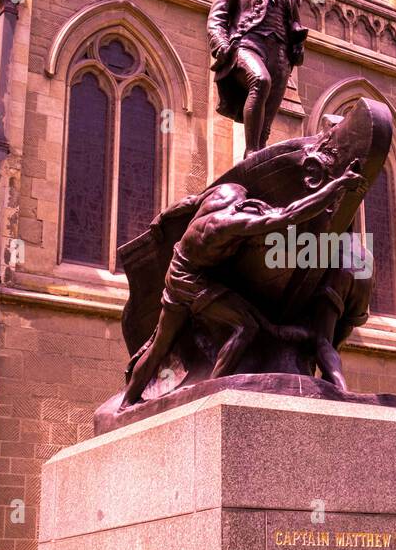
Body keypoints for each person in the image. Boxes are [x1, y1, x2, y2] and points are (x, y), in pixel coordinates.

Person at [122, 169, 367, 408]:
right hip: (190, 280)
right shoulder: (229, 224)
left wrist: (161, 218)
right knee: (245, 327)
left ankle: (127, 401)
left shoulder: (225, 194)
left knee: (159, 346)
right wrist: (338, 186)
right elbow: (289, 215)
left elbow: (189, 202)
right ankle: (214, 388)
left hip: (176, 272)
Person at [207, 0, 308, 153]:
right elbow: (217, 16)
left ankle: (257, 154)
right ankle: (251, 151)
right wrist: (221, 45)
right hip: (247, 44)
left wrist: (298, 43)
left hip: (279, 55)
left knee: (267, 121)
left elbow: (294, 28)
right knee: (260, 81)